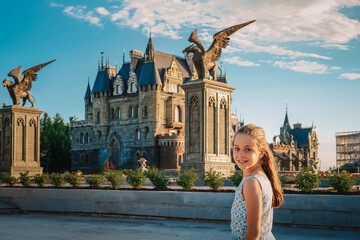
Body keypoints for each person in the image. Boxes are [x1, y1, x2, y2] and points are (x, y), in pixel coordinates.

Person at [231, 124, 283, 240]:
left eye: (248, 149)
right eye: (237, 148)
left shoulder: (251, 183)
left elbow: (253, 232)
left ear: (261, 152)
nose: (241, 154)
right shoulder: (259, 177)